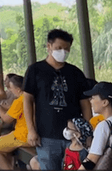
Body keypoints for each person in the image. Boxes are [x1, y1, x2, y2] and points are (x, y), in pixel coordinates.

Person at [23, 29, 93, 170]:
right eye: (58, 48)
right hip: (46, 135)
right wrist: (31, 130)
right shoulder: (35, 70)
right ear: (49, 46)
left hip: (75, 136)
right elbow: (27, 100)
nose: (63, 52)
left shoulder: (75, 73)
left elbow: (85, 103)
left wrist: (87, 132)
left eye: (66, 49)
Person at [0, 74, 29, 170]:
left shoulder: (19, 101)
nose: (10, 90)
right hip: (29, 134)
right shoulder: (29, 97)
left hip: (22, 136)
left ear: (18, 89)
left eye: (11, 88)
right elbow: (11, 109)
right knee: (2, 138)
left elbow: (6, 119)